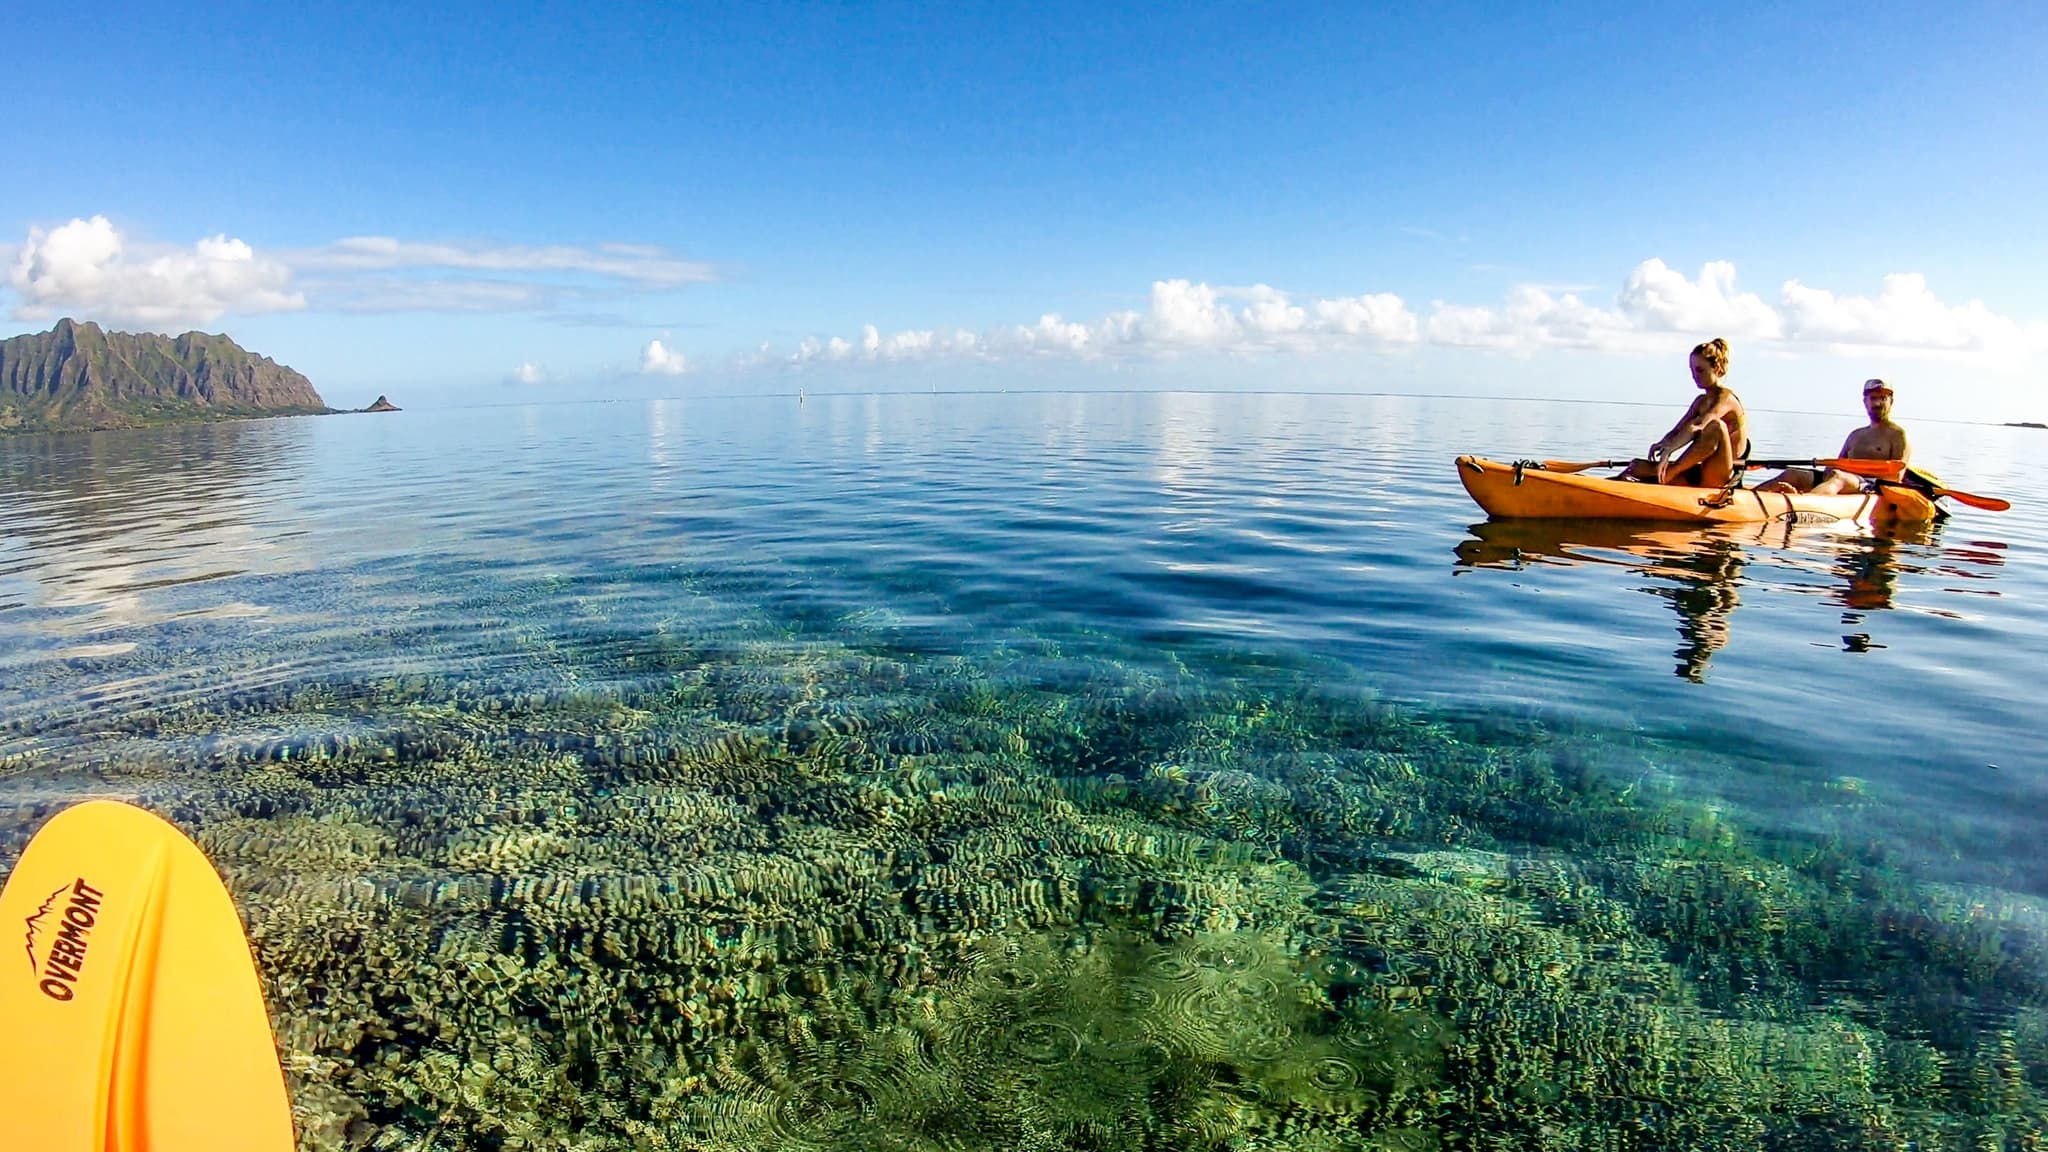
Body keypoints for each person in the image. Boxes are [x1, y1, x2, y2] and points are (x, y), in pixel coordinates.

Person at [1618, 338, 1748, 487]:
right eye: (1692, 370)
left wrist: (1671, 450)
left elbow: (1698, 425)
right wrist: (1663, 444)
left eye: (1700, 370)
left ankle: (1670, 473)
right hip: (1701, 470)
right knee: (1636, 466)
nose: (1694, 376)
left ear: (1717, 368)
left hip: (1722, 475)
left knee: (1716, 426)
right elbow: (1678, 431)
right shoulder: (1700, 401)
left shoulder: (1726, 398)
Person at [1756, 378, 1908, 494]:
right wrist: (1830, 469)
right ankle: (1748, 498)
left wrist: (1860, 472)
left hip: (1869, 486)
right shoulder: (1855, 435)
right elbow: (1838, 463)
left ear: (1891, 402)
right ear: (1865, 402)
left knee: (1839, 477)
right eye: (1873, 398)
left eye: (1883, 398)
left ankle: (1805, 502)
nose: (1878, 403)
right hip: (1842, 477)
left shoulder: (1898, 435)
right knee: (1792, 474)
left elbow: (1895, 478)